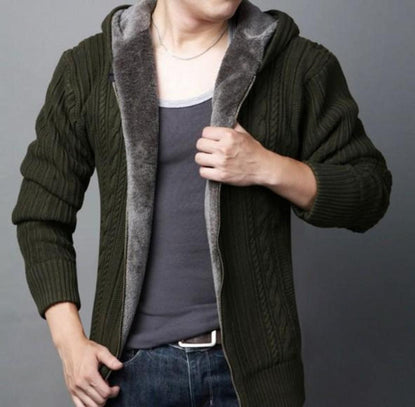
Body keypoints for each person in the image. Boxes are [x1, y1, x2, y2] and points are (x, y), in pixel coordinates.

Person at [11, 0, 393, 406]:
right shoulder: (88, 68)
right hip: (131, 373)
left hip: (252, 376)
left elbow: (369, 192)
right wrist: (69, 342)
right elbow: (40, 212)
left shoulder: (297, 65)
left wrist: (268, 167)